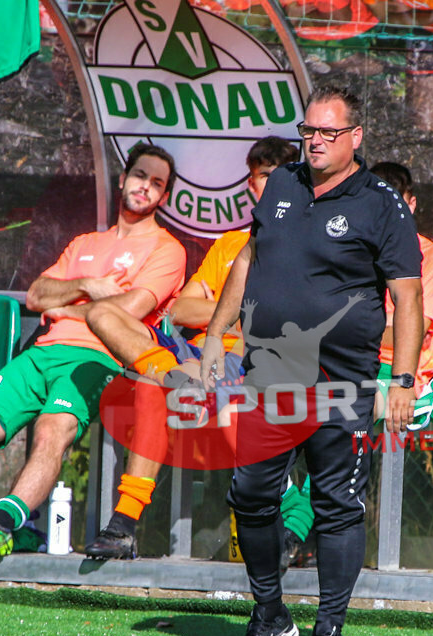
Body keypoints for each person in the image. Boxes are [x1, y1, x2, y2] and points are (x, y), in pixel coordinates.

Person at [200, 85, 424, 636]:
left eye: (328, 133)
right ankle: (271, 615)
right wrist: (214, 335)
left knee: (336, 505)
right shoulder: (282, 183)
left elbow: (408, 295)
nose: (315, 142)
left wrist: (401, 381)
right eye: (308, 131)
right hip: (269, 376)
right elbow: (248, 257)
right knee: (249, 493)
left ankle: (330, 628)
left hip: (340, 381)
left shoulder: (381, 203)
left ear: (356, 137)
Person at [0, 144, 186, 555]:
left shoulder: (167, 248)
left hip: (98, 358)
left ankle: (1, 524)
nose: (146, 187)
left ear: (165, 196)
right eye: (140, 176)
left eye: (158, 183)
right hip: (42, 353)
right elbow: (35, 296)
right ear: (123, 179)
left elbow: (132, 310)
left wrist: (66, 306)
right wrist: (86, 286)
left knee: (52, 430)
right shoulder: (84, 242)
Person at [83, 137, 299, 560]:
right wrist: (235, 314)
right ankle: (181, 378)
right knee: (101, 316)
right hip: (191, 356)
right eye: (261, 179)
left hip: (252, 364)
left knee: (152, 386)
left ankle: (124, 521)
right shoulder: (229, 244)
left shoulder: (304, 246)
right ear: (250, 187)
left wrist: (224, 314)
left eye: (277, 179)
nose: (268, 187)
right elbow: (182, 308)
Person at [281, 160, 433, 568]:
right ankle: (288, 521)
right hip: (342, 362)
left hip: (401, 373)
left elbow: (414, 332)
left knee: (344, 405)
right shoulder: (347, 246)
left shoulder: (432, 257)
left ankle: (296, 528)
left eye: (396, 203)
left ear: (411, 204)